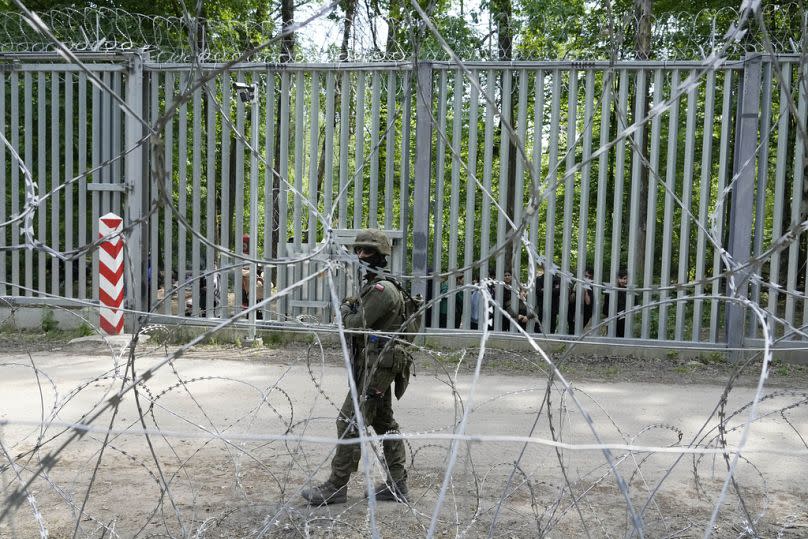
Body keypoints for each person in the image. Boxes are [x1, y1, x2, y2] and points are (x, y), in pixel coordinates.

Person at [301, 228, 410, 506]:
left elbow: (353, 325)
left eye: (368, 251)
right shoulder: (374, 286)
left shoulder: (382, 290)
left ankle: (337, 486)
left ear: (381, 255)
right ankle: (398, 484)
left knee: (349, 421)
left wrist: (347, 310)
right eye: (359, 250)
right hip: (374, 364)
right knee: (384, 422)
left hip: (378, 366)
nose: (361, 255)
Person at [602, 267, 628, 337]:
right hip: (613, 318)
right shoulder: (611, 291)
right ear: (617, 279)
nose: (624, 281)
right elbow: (606, 307)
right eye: (623, 278)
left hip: (625, 320)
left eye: (626, 279)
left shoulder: (628, 291)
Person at [567, 268, 594, 333]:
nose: (587, 278)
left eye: (589, 277)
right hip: (572, 313)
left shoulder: (592, 287)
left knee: (577, 332)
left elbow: (588, 302)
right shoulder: (576, 284)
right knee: (572, 331)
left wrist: (586, 291)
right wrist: (574, 290)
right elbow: (571, 300)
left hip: (585, 314)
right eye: (586, 276)